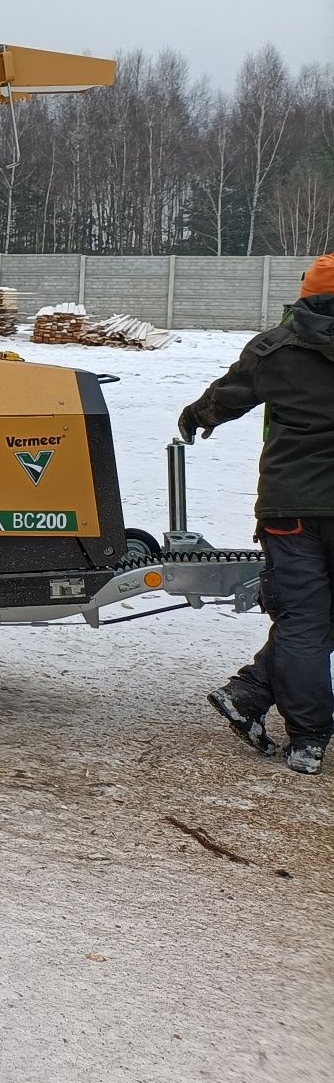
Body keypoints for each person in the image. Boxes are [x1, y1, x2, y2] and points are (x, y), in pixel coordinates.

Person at [178, 254, 334, 777]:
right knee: (311, 622)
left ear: (305, 296)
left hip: (288, 509)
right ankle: (308, 736)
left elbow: (226, 397)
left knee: (305, 619)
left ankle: (250, 695)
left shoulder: (275, 347)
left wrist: (196, 416)